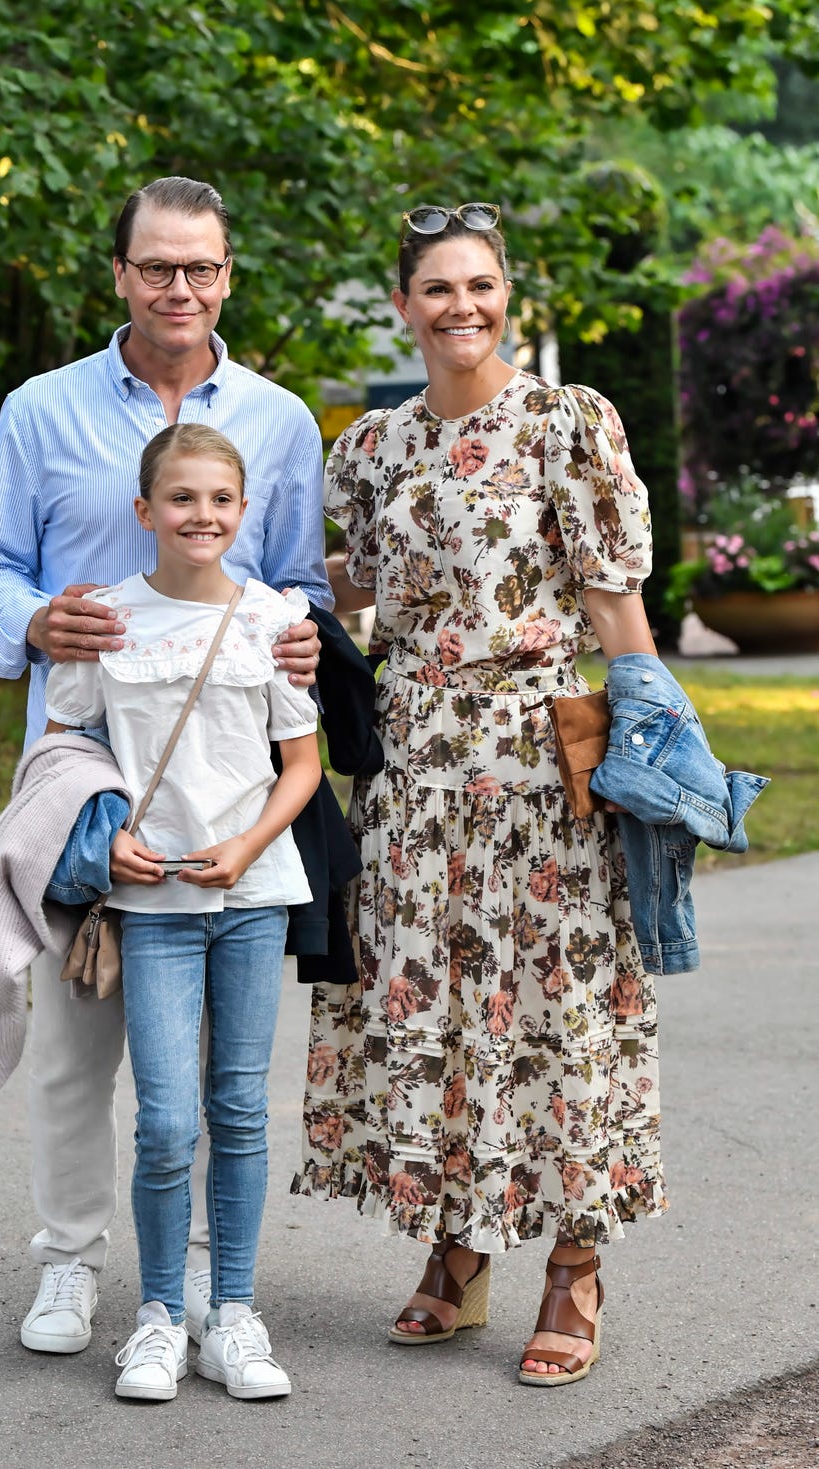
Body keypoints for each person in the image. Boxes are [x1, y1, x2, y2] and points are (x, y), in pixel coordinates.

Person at [293, 202, 666, 1385]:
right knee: (435, 1007)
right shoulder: (367, 448)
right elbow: (337, 585)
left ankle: (572, 1262)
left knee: (553, 1005)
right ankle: (456, 1252)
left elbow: (614, 604)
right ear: (402, 305)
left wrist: (652, 729)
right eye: (438, 288)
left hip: (535, 762)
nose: (464, 307)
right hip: (410, 767)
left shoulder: (566, 421)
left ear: (508, 296)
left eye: (482, 285)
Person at [0, 176, 331, 1354]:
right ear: (119, 273)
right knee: (79, 1050)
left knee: (221, 1072)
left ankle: (215, 1286)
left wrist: (310, 633)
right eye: (158, 266)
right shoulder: (41, 409)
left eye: (202, 267)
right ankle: (69, 1262)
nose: (181, 287)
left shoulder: (277, 421)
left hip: (224, 791)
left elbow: (298, 588)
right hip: (85, 781)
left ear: (227, 275)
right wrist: (31, 623)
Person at [45, 423, 322, 1400]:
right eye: (181, 498)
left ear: (241, 512)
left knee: (237, 1108)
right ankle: (158, 1316)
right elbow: (64, 751)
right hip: (149, 902)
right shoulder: (103, 620)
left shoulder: (272, 619)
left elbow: (303, 764)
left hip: (251, 898)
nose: (200, 515)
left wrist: (247, 846)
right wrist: (100, 829)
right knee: (165, 1119)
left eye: (219, 500)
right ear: (144, 510)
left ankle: (232, 1315)